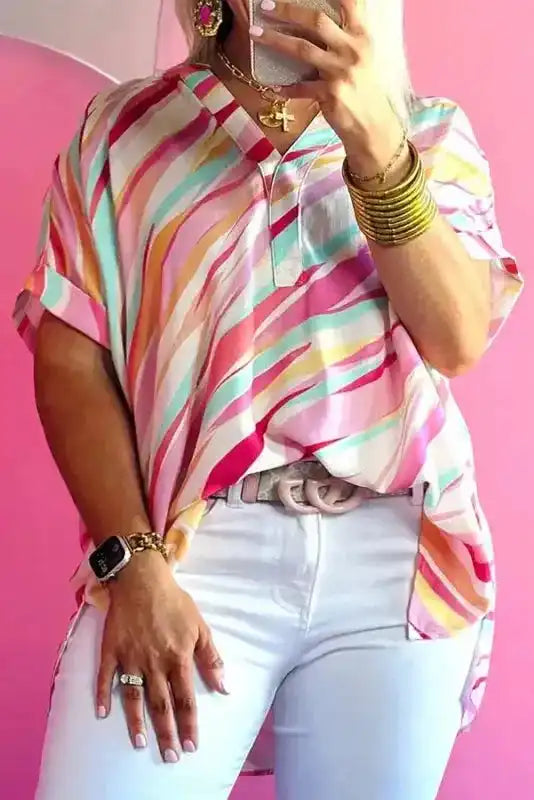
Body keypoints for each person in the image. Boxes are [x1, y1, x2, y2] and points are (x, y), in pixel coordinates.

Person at [13, 0, 523, 798]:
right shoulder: (123, 132)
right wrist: (131, 564)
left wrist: (375, 143)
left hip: (391, 562)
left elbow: (457, 338)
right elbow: (71, 360)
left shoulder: (427, 132)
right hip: (187, 549)